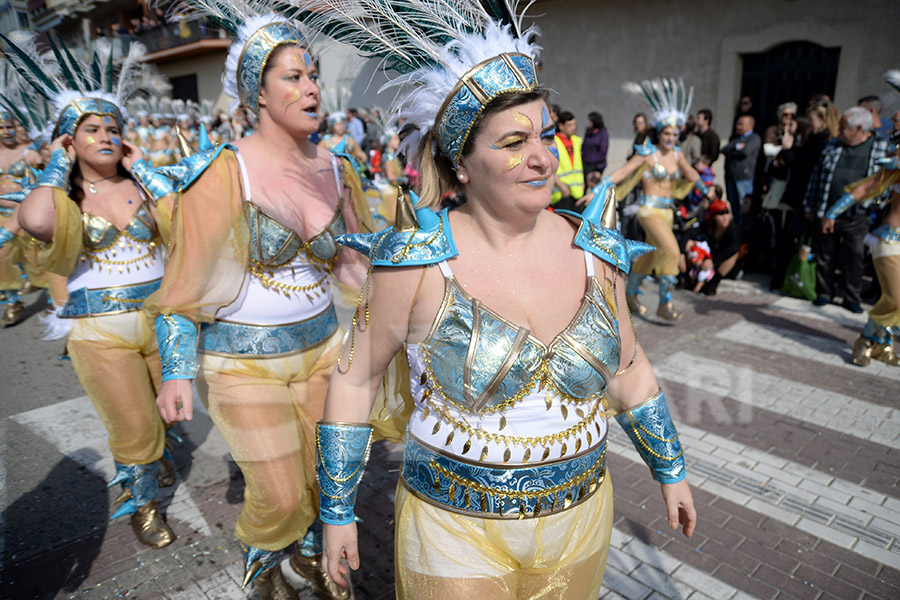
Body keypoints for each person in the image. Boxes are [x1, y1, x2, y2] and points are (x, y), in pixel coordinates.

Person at [300, 3, 696, 598]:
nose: (543, 157)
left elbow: (630, 367)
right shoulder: (416, 263)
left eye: (545, 134)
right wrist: (336, 512)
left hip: (580, 516)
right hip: (450, 531)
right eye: (513, 142)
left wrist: (671, 469)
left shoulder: (595, 251)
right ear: (460, 162)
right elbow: (356, 381)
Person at [144, 5, 374, 599]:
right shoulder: (223, 172)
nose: (310, 88)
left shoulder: (338, 166)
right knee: (276, 492)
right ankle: (263, 561)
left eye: (312, 75)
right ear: (258, 96)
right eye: (292, 77)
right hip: (242, 364)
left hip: (324, 350)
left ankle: (308, 554)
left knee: (328, 481)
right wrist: (174, 373)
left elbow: (354, 266)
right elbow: (181, 288)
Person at [2, 34, 179, 548]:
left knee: (165, 413)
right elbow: (32, 220)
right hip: (98, 332)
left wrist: (140, 162)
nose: (105, 135)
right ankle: (144, 505)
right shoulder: (61, 198)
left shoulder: (145, 184)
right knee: (132, 425)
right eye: (91, 129)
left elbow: (191, 220)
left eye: (113, 128)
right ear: (67, 139)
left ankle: (160, 454)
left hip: (162, 320)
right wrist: (57, 166)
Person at [608, 77, 707, 320]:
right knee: (672, 250)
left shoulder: (677, 154)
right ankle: (665, 303)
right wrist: (600, 187)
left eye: (675, 133)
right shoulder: (648, 155)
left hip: (666, 211)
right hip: (648, 211)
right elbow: (623, 172)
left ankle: (630, 293)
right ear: (659, 133)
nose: (671, 137)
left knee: (652, 253)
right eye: (666, 133)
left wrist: (706, 189)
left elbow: (693, 174)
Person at [804, 106, 890, 313]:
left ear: (858, 128)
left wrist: (873, 205)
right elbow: (817, 175)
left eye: (843, 126)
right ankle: (824, 292)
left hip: (858, 214)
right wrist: (810, 204)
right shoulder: (833, 145)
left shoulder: (880, 147)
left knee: (854, 256)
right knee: (825, 254)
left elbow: (885, 183)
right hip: (826, 209)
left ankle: (851, 297)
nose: (839, 130)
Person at [684, 199, 741, 295]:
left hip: (724, 265)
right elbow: (688, 234)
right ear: (714, 217)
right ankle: (686, 276)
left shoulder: (732, 229)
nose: (725, 217)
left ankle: (713, 283)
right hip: (707, 261)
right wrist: (682, 254)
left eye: (726, 213)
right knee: (690, 243)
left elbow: (734, 247)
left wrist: (713, 262)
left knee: (734, 253)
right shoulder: (710, 226)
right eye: (721, 214)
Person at [721, 115, 761, 224]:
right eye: (737, 124)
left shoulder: (754, 138)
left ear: (750, 125)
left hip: (744, 178)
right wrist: (737, 147)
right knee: (733, 205)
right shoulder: (737, 139)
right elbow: (725, 149)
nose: (738, 127)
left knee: (744, 205)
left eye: (741, 124)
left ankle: (744, 228)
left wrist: (734, 151)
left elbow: (745, 152)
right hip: (732, 177)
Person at [551, 111, 585, 211]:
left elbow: (579, 164)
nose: (573, 127)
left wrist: (582, 182)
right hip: (562, 192)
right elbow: (550, 167)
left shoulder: (576, 141)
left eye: (574, 124)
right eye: (569, 125)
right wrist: (561, 186)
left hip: (577, 191)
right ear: (561, 126)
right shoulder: (553, 141)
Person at [582, 111, 608, 182]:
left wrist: (591, 160)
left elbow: (603, 151)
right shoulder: (588, 132)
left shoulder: (602, 134)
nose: (588, 122)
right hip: (586, 164)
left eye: (590, 121)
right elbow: (584, 145)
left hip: (596, 165)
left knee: (593, 183)